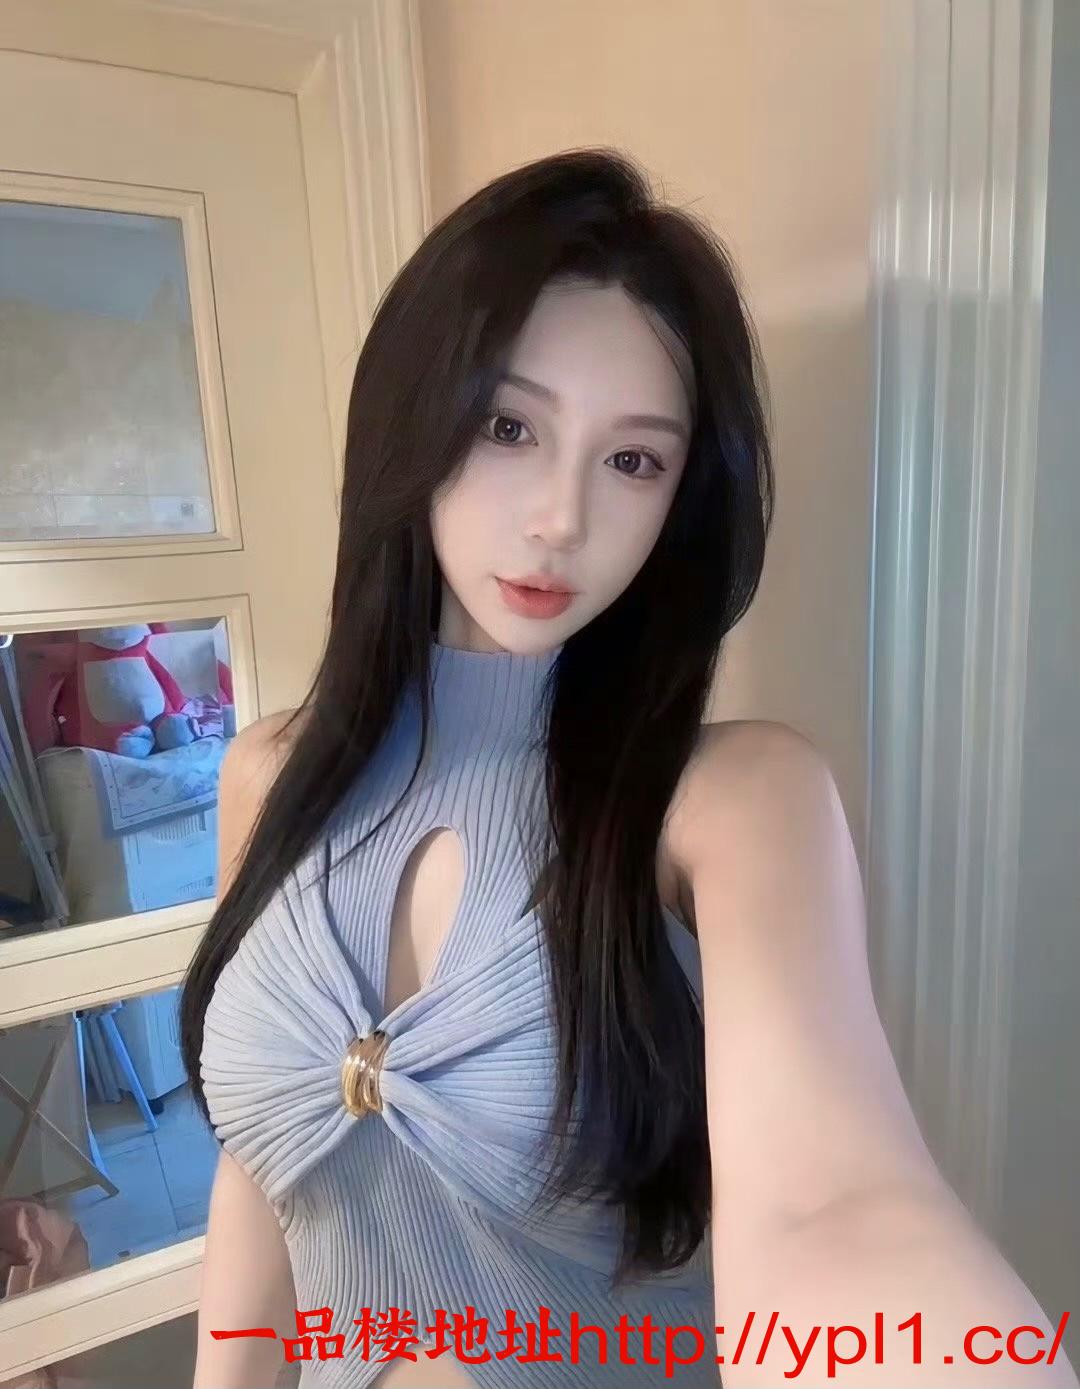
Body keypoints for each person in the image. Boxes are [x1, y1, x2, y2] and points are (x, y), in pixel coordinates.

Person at [182, 148, 1077, 1389]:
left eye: (633, 460)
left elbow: (834, 1205)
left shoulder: (734, 805)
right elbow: (265, 1164)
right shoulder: (266, 777)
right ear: (414, 418)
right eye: (510, 427)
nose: (563, 517)